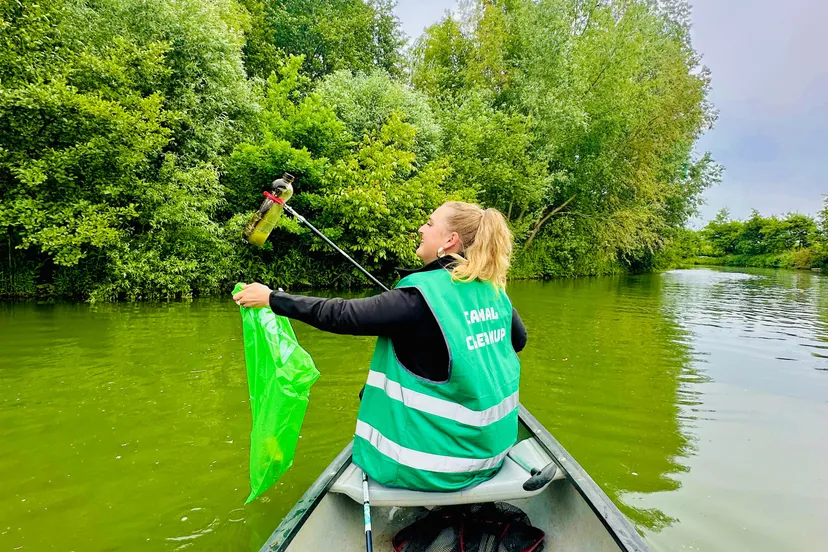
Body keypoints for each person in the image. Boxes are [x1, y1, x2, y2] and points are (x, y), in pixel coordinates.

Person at [233, 201, 526, 491]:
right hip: (494, 452)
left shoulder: (417, 298)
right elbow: (518, 340)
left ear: (450, 241)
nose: (422, 228)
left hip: (437, 467)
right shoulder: (493, 290)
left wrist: (272, 298)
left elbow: (342, 315)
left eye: (430, 222)